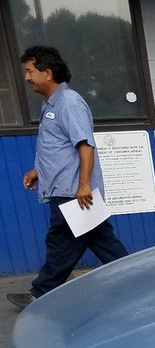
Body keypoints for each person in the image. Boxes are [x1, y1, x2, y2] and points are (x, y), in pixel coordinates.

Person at [6, 46, 128, 312]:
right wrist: (38, 171)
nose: (27, 78)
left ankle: (40, 294)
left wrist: (84, 185)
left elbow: (85, 145)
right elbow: (59, 147)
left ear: (47, 73)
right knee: (100, 241)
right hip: (68, 189)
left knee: (61, 242)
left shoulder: (69, 102)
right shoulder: (52, 104)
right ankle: (136, 279)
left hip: (73, 192)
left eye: (30, 71)